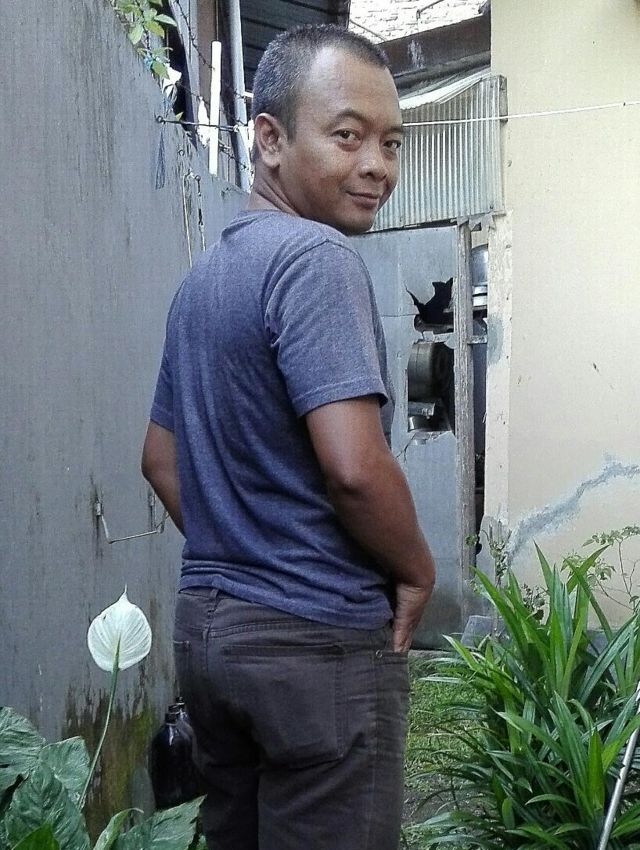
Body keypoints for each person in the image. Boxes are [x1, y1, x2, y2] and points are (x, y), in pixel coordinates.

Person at [142, 23, 435, 850]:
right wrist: (416, 570)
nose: (376, 165)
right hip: (317, 649)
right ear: (269, 139)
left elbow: (160, 461)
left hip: (209, 636)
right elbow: (354, 467)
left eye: (390, 142)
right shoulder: (316, 261)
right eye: (347, 136)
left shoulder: (204, 280)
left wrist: (245, 557)